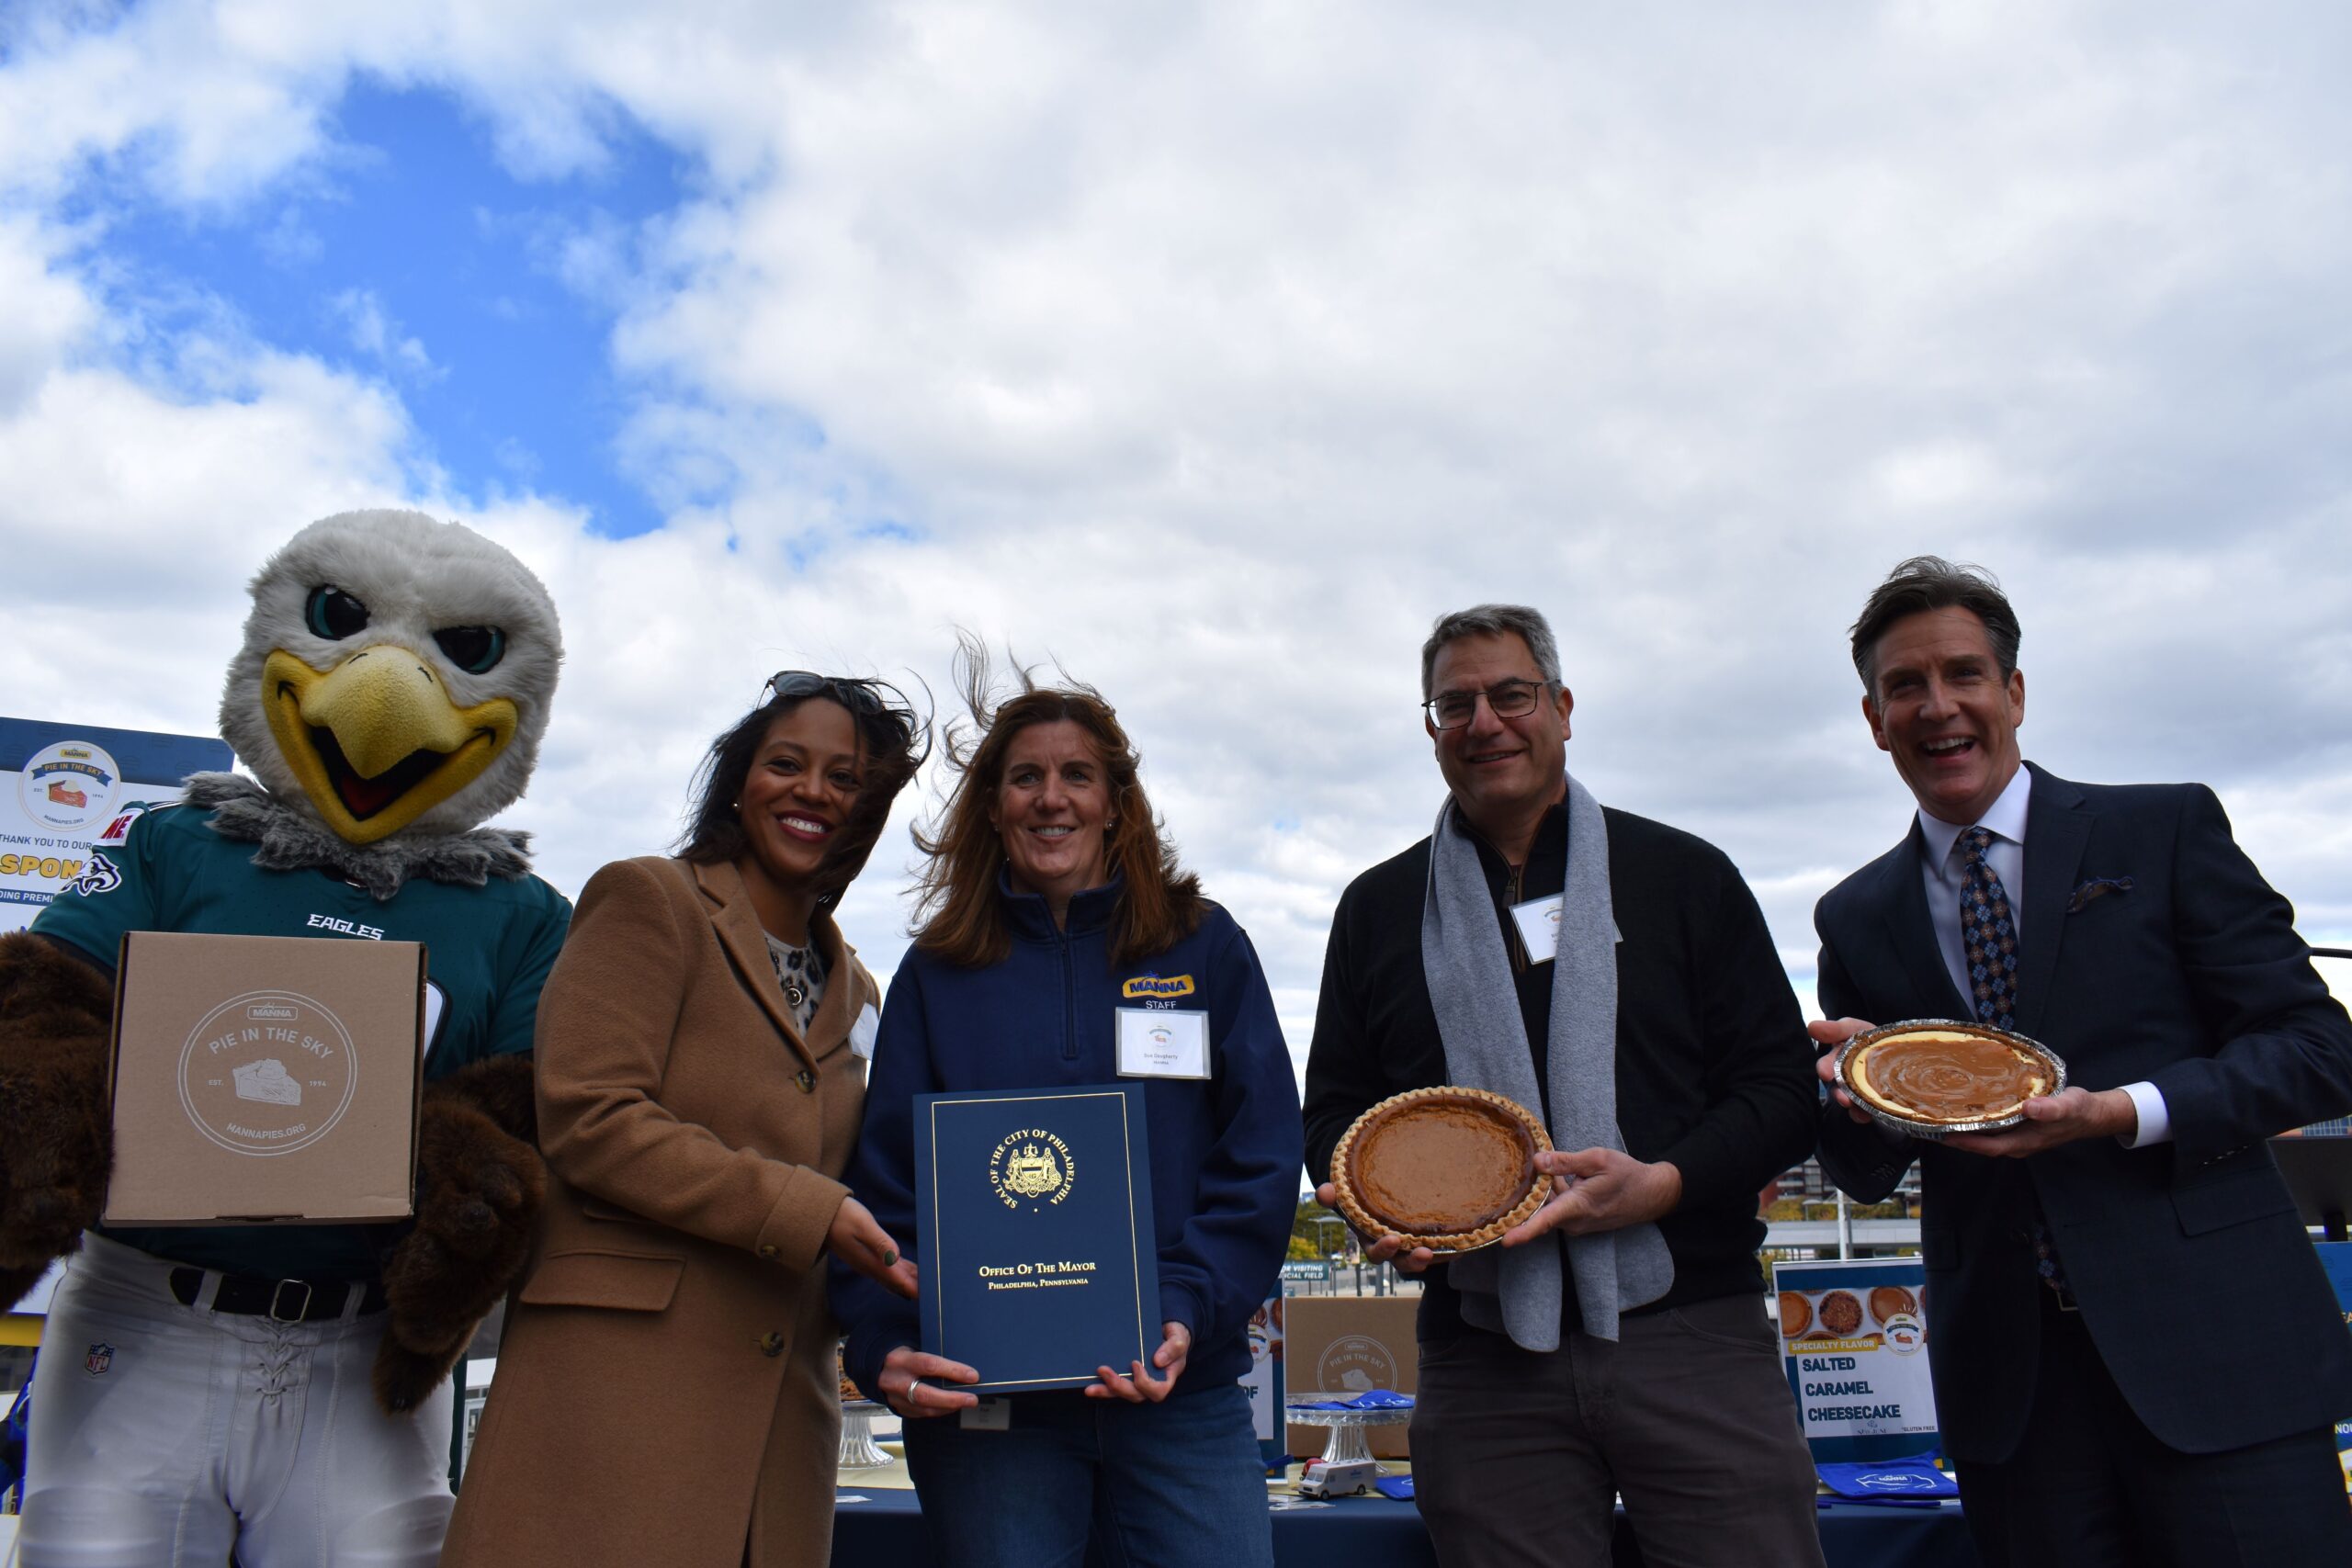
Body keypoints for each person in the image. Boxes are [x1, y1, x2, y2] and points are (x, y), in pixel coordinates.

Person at [1811, 558, 2352, 1566]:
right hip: (2014, 1397)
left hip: (2219, 1360)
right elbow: (1871, 1165)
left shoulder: (2160, 828)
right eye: (1904, 687)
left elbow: (2320, 1050)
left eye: (1963, 675)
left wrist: (2125, 1111)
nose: (1938, 707)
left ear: (2012, 692)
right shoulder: (1855, 915)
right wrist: (1843, 1102)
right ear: (1873, 718)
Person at [1302, 604, 1826, 1568]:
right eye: (1452, 704)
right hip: (1483, 1349)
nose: (1484, 722)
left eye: (1510, 695)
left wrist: (1662, 1183)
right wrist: (1378, 1209)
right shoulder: (1377, 910)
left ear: (1563, 707)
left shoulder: (1684, 877)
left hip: (1690, 1329)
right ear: (1430, 729)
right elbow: (1336, 1111)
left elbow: (1781, 1090)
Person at [441, 672, 926, 1568]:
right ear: (741, 779)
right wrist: (803, 1210)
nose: (812, 791)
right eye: (787, 763)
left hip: (782, 1425)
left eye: (845, 779)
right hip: (619, 1400)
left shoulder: (862, 988)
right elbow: (590, 1116)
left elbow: (873, 1186)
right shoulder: (649, 900)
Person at [831, 655, 1301, 1568]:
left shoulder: (1204, 945)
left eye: (1076, 775)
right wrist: (883, 1337)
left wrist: (1184, 1304)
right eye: (1026, 778)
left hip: (1180, 1394)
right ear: (995, 805)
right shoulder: (938, 972)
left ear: (1116, 803)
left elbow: (1262, 1153)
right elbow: (884, 1184)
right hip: (993, 1419)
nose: (1052, 799)